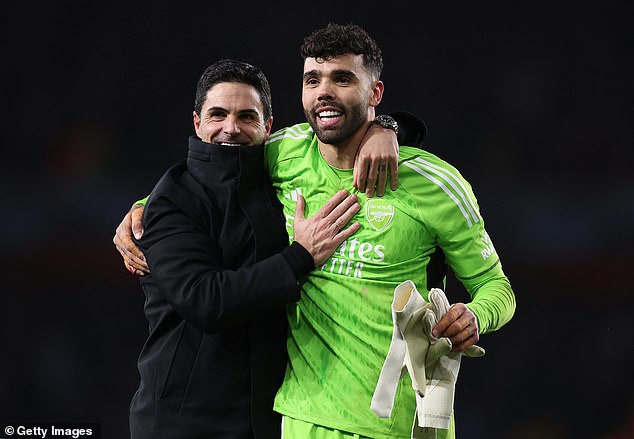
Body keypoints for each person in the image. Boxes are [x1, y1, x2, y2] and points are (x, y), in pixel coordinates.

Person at [117, 23, 515, 439]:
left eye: (342, 79)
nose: (324, 91)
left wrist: (475, 315)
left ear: (375, 93)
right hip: (304, 420)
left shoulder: (436, 184)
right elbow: (213, 168)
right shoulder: (283, 154)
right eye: (313, 80)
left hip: (405, 422)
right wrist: (143, 208)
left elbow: (497, 288)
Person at [126, 59, 367, 438]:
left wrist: (389, 128)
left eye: (246, 117)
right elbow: (205, 301)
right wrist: (300, 257)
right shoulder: (173, 200)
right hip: (183, 424)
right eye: (217, 114)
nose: (231, 128)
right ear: (197, 123)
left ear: (268, 128)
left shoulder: (279, 181)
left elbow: (344, 131)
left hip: (267, 421)